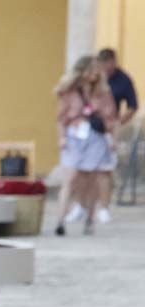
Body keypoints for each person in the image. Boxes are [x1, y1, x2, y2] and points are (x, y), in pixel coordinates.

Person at [54, 55, 118, 235]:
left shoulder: (103, 92)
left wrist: (112, 137)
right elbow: (60, 118)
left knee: (91, 180)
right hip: (74, 136)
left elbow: (111, 117)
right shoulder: (68, 91)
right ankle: (60, 220)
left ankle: (89, 219)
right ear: (83, 70)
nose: (96, 73)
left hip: (95, 138)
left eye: (97, 70)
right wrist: (62, 137)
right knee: (71, 178)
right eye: (92, 69)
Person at [94, 48, 138, 222]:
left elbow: (133, 105)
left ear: (113, 62)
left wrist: (120, 121)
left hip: (110, 127)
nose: (106, 68)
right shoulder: (93, 77)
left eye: (109, 65)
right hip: (90, 127)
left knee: (105, 168)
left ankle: (103, 207)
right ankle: (83, 204)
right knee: (84, 170)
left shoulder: (123, 79)